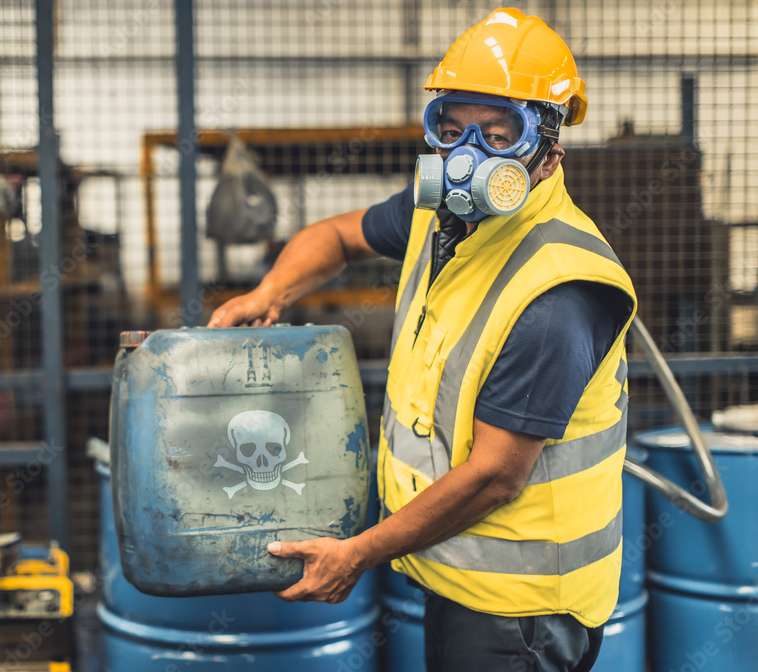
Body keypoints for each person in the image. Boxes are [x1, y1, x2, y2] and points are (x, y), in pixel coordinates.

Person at [207, 9, 637, 672]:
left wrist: (356, 554)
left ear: (549, 152)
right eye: (452, 129)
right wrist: (271, 293)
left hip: (521, 609)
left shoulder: (560, 292)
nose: (468, 158)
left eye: (499, 135)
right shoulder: (438, 213)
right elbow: (336, 237)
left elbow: (496, 474)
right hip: (456, 573)